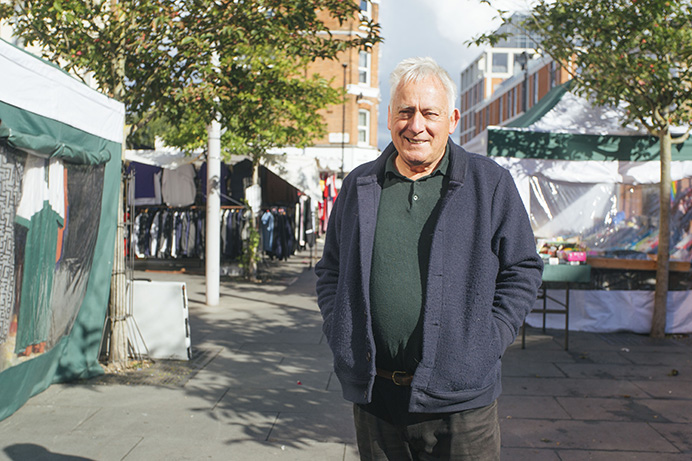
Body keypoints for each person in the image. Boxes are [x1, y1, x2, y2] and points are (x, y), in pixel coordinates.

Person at [314, 56, 544, 460]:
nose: (415, 125)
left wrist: (488, 340)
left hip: (462, 403)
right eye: (405, 111)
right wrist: (339, 330)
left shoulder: (489, 184)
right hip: (377, 399)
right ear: (389, 117)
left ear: (452, 119)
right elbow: (330, 269)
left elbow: (523, 267)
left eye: (428, 113)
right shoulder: (360, 185)